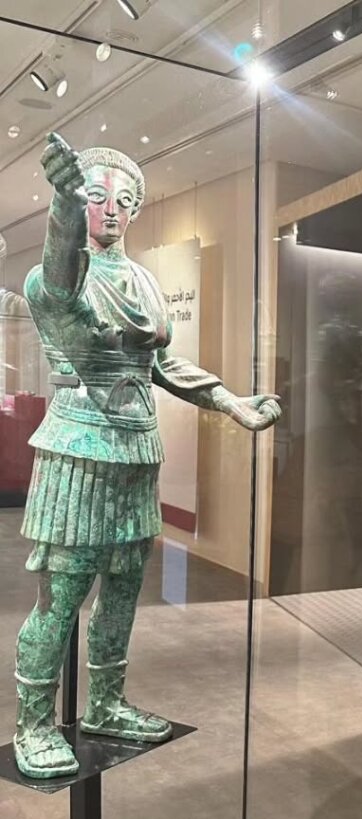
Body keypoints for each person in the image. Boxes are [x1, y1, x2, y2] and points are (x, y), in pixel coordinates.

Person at [12, 132, 280, 779]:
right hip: (77, 454)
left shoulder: (142, 282)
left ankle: (104, 703)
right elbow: (62, 276)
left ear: (134, 210)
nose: (110, 209)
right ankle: (34, 724)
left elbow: (160, 363)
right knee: (61, 595)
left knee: (124, 589)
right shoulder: (53, 278)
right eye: (96, 197)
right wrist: (62, 206)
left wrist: (229, 401)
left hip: (136, 450)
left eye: (123, 200)